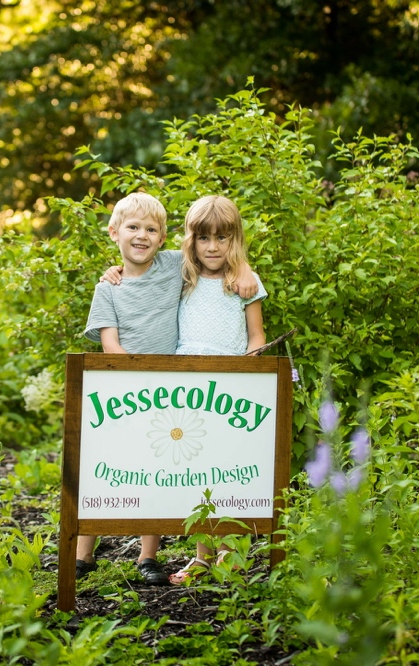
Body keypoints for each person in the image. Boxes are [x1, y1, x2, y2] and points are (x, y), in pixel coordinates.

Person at [79, 191, 258, 586]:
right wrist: (113, 271)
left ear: (163, 238)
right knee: (114, 461)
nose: (142, 236)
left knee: (190, 467)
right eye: (133, 228)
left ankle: (180, 556)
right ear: (114, 231)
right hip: (145, 387)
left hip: (200, 388)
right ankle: (84, 555)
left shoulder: (181, 267)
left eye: (151, 230)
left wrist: (244, 267)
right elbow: (111, 343)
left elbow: (219, 248)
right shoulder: (127, 282)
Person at [166, 195, 267, 585]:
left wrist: (245, 374)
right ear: (190, 239)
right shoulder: (182, 278)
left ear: (235, 240)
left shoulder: (244, 282)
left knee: (227, 467)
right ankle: (202, 556)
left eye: (222, 238)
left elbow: (256, 336)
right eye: (204, 238)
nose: (212, 247)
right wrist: (113, 272)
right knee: (196, 470)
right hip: (187, 387)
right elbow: (142, 269)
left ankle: (229, 551)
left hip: (229, 389)